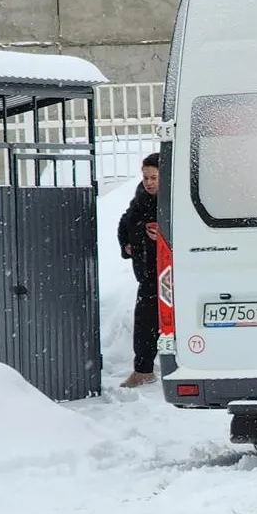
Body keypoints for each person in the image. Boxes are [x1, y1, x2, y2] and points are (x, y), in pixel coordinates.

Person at [116, 153, 162, 388]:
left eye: (154, 177)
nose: (149, 183)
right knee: (145, 323)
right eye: (146, 177)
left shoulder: (175, 199)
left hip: (172, 273)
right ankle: (143, 371)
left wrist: (164, 237)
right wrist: (127, 243)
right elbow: (126, 222)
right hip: (147, 273)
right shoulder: (140, 198)